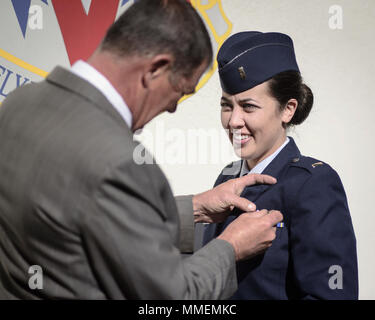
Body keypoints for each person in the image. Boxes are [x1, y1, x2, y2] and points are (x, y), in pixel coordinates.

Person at [0, 0, 283, 299]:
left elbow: (74, 213)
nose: (174, 108)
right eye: (180, 90)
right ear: (156, 69)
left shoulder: (18, 105)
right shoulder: (121, 163)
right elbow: (171, 299)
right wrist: (231, 247)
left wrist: (196, 208)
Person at [203, 31, 358, 299]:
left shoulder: (312, 184)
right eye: (226, 106)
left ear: (288, 109)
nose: (234, 121)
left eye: (248, 107)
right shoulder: (226, 179)